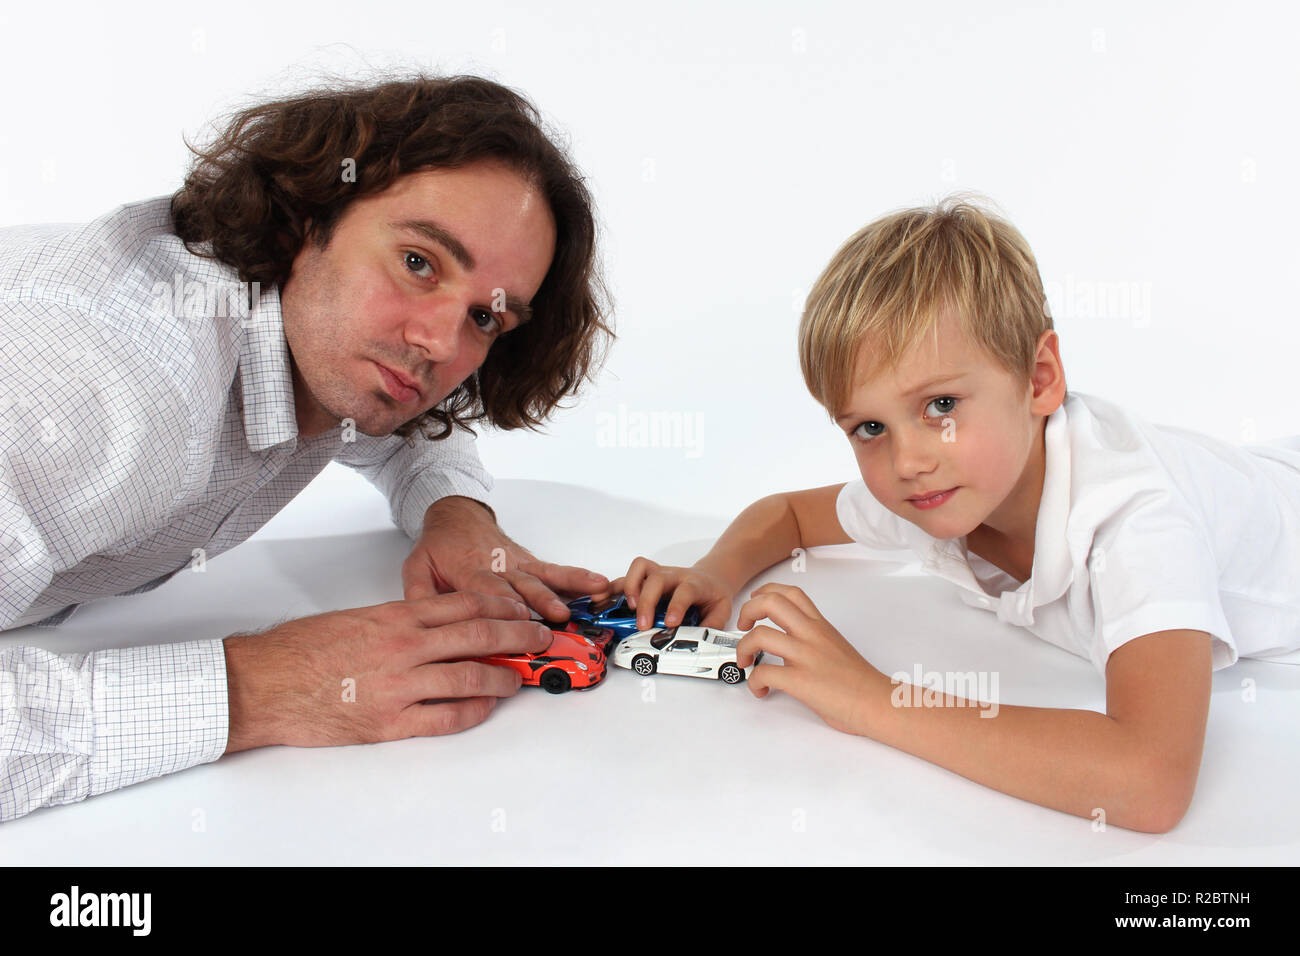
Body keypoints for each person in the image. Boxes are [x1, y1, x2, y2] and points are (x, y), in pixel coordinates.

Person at [0, 74, 613, 821]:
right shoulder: (97, 388)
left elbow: (392, 430)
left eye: (487, 318)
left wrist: (456, 514)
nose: (440, 345)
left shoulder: (322, 350)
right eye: (418, 262)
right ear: (307, 216)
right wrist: (261, 686)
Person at [599, 197, 1300, 833]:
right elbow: (785, 513)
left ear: (1040, 379)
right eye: (869, 428)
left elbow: (1150, 781)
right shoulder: (936, 490)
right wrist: (717, 571)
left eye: (941, 407)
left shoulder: (1136, 523)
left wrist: (875, 700)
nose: (906, 460)